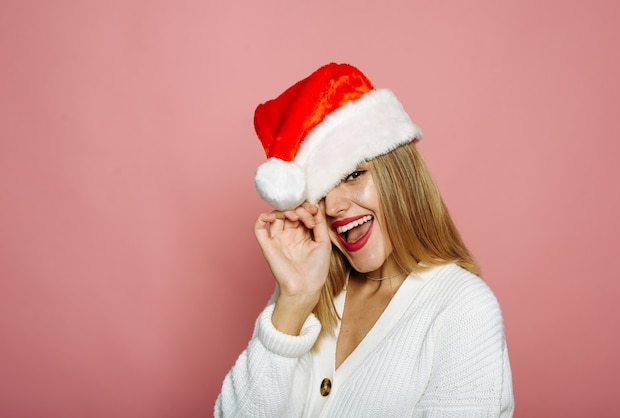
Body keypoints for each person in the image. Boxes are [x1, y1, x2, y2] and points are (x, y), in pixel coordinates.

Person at [214, 63, 514, 417]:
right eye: (320, 192)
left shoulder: (462, 308)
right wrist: (294, 300)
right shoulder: (307, 296)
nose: (335, 207)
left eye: (354, 175)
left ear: (400, 177)